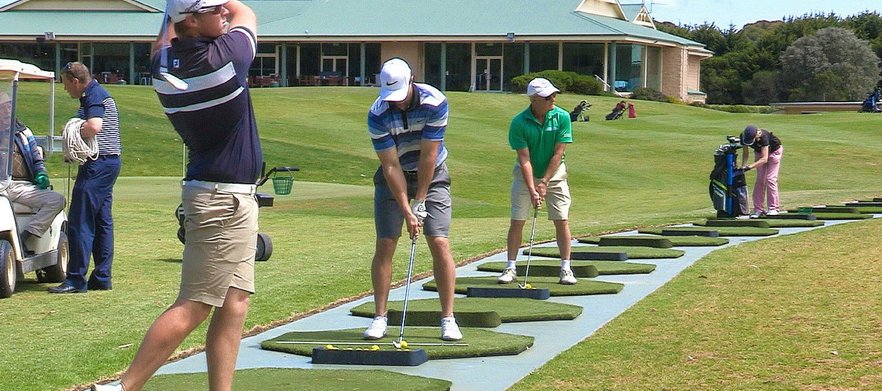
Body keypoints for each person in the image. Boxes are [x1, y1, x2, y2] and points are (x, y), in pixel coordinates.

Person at [91, 1, 261, 390]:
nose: (223, 12)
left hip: (218, 194)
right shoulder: (225, 57)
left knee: (235, 302)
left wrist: (175, 11)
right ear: (191, 20)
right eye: (213, 8)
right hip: (224, 201)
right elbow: (246, 12)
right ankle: (122, 387)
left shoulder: (163, 67)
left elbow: (164, 41)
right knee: (195, 305)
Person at [363, 58, 462, 341]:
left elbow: (429, 155)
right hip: (393, 176)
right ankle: (379, 317)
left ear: (412, 80)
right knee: (385, 242)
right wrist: (408, 210)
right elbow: (390, 166)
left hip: (433, 175)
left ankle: (448, 319)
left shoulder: (435, 101)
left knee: (439, 241)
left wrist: (420, 201)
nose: (395, 101)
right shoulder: (378, 113)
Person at [49, 61, 122, 294]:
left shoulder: (93, 94)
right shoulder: (95, 95)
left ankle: (75, 279)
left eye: (65, 84)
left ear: (75, 81)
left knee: (79, 221)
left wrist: (75, 133)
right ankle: (101, 277)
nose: (64, 89)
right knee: (102, 221)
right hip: (109, 163)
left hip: (98, 164)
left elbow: (94, 126)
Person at [497, 78, 576, 285]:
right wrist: (533, 188)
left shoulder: (562, 117)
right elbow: (524, 159)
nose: (553, 99)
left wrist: (545, 182)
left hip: (556, 175)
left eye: (553, 95)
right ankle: (510, 267)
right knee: (517, 221)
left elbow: (558, 153)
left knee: (562, 220)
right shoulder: (519, 122)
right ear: (534, 99)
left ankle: (566, 268)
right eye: (548, 97)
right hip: (525, 176)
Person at [0, 94, 65, 250]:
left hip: (20, 186)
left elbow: (36, 158)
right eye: (3, 107)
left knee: (57, 200)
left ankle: (27, 235)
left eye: (10, 106)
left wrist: (41, 173)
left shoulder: (23, 132)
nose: (8, 110)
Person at [739, 125, 783, 218]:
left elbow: (764, 159)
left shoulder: (764, 137)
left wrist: (750, 167)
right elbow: (745, 153)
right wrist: (743, 166)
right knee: (760, 180)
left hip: (774, 152)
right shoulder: (743, 137)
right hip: (759, 153)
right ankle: (758, 210)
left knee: (770, 179)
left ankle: (773, 208)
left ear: (757, 135)